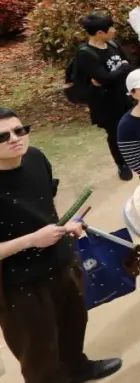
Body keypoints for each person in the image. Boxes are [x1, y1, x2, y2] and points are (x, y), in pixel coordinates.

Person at [0, 108, 123, 383]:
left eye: (19, 131)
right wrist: (32, 240)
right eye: (3, 136)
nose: (15, 139)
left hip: (62, 262)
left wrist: (66, 226)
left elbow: (45, 205)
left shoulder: (35, 158)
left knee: (74, 324)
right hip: (20, 285)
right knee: (38, 350)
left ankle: (78, 369)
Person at [74, 13, 134, 180]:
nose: (114, 30)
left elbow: (128, 62)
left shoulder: (113, 44)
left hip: (125, 96)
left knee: (133, 126)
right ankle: (122, 164)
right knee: (115, 133)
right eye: (111, 28)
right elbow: (105, 79)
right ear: (100, 33)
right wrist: (121, 69)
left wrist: (117, 72)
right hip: (106, 103)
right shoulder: (86, 54)